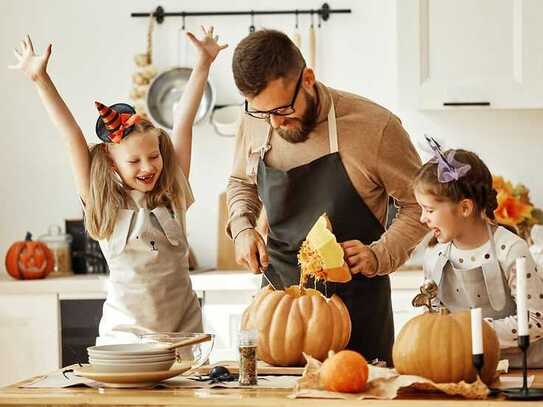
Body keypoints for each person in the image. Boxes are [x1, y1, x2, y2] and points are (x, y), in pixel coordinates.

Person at [9, 28, 227, 344]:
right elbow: (71, 135)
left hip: (184, 336)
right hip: (125, 340)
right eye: (134, 161)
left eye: (153, 156)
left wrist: (204, 63)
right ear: (113, 164)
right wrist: (40, 79)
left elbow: (183, 123)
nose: (148, 166)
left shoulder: (172, 195)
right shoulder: (103, 203)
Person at [226, 29, 427, 365]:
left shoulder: (375, 128)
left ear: (307, 79)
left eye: (283, 109)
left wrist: (380, 254)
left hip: (356, 313)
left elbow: (419, 204)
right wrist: (242, 226)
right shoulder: (255, 118)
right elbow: (240, 183)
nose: (274, 123)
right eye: (263, 114)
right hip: (277, 312)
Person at [415, 137, 543, 367]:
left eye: (429, 210)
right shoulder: (435, 256)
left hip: (521, 370)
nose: (422, 218)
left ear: (465, 207)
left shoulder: (512, 250)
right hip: (463, 368)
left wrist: (469, 331)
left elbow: (536, 320)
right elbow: (435, 321)